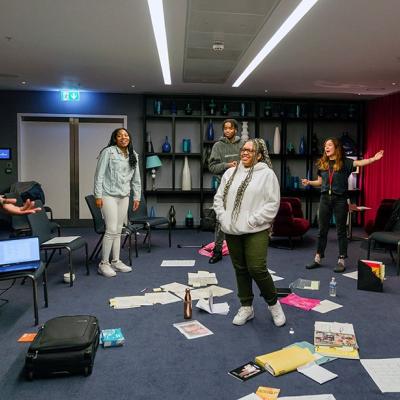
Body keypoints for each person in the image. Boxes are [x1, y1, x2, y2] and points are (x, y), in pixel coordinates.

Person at [213, 138, 286, 327]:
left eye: (250, 151)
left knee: (257, 268)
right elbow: (218, 198)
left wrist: (252, 220)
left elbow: (272, 203)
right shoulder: (230, 173)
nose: (244, 153)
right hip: (232, 229)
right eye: (243, 149)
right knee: (240, 269)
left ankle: (274, 305)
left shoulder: (267, 174)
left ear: (259, 155)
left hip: (256, 229)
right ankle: (246, 306)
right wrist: (224, 218)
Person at [302, 137, 384, 272]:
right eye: (325, 146)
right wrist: (309, 182)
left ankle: (341, 260)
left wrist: (373, 159)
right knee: (322, 230)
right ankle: (318, 258)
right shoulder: (322, 164)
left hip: (340, 200)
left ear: (336, 147)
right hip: (324, 199)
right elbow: (320, 182)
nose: (326, 147)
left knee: (341, 231)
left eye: (329, 145)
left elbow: (360, 163)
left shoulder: (345, 163)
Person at [94, 128, 141, 278]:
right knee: (111, 228)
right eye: (119, 135)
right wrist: (98, 195)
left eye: (126, 135)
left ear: (129, 138)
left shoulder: (134, 155)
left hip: (124, 196)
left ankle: (115, 261)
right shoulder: (108, 152)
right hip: (108, 195)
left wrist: (137, 197)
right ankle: (104, 263)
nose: (123, 137)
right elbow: (99, 175)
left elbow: (136, 179)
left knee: (119, 230)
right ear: (115, 139)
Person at [208, 119, 243, 264]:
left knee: (241, 218)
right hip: (225, 187)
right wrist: (228, 165)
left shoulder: (243, 145)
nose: (227, 131)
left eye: (230, 128)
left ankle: (242, 251)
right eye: (225, 128)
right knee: (221, 220)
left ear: (236, 130)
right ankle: (217, 251)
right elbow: (212, 167)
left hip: (243, 187)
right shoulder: (218, 146)